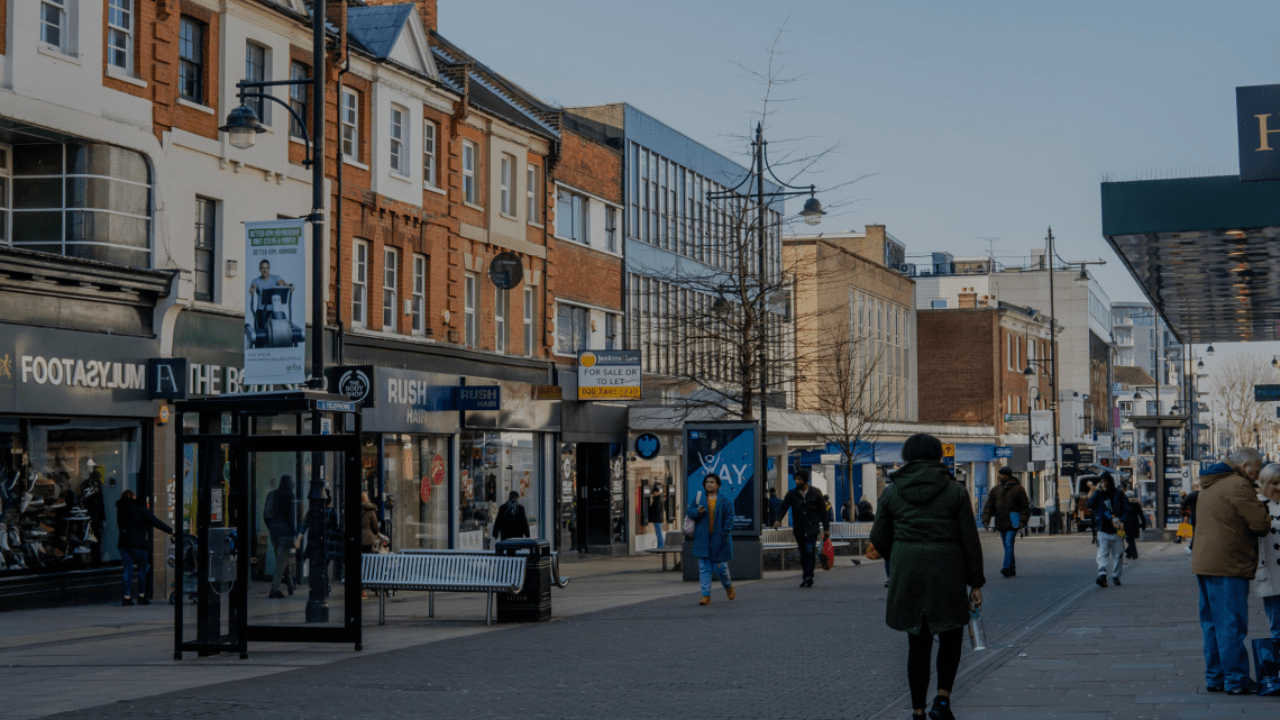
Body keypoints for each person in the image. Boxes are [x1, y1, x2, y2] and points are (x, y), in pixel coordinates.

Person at [870, 433, 985, 720]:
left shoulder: (892, 492)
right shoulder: (954, 491)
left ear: (906, 457)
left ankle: (918, 711)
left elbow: (879, 538)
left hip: (908, 570)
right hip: (947, 568)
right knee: (951, 636)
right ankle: (942, 700)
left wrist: (898, 556)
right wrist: (976, 583)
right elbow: (969, 540)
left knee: (917, 643)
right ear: (938, 456)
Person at [1194, 448, 1270, 694]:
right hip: (1229, 564)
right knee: (1231, 624)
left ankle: (1215, 677)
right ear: (1246, 465)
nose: (1257, 478)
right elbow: (1259, 524)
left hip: (1206, 563)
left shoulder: (1210, 482)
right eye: (1256, 471)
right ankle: (1236, 679)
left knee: (1212, 624)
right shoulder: (1238, 484)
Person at [115, 490, 174, 606]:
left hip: (124, 544)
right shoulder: (140, 508)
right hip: (139, 544)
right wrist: (170, 531)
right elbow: (155, 521)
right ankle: (141, 596)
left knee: (127, 570)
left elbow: (120, 525)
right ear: (132, 497)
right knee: (142, 568)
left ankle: (126, 597)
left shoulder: (120, 510)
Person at [775, 470, 831, 588]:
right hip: (799, 528)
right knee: (803, 553)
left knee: (810, 551)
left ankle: (809, 576)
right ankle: (805, 576)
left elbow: (822, 512)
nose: (796, 481)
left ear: (805, 480)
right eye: (796, 479)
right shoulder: (792, 494)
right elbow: (784, 506)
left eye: (799, 479)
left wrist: (826, 528)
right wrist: (778, 519)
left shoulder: (816, 492)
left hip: (812, 527)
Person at [687, 473, 735, 605]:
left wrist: (724, 533)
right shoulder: (698, 498)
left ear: (718, 485)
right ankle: (706, 595)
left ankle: (728, 586)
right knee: (704, 568)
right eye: (707, 482)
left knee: (721, 568)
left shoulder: (726, 500)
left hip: (719, 539)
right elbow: (689, 512)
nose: (709, 484)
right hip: (703, 539)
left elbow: (729, 518)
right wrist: (697, 511)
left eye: (712, 482)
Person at [981, 466, 1030, 578]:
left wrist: (1023, 520)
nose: (999, 477)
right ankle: (1012, 568)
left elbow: (1025, 506)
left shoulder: (1018, 489)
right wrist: (986, 519)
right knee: (1007, 546)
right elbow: (989, 506)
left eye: (1001, 475)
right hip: (1001, 522)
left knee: (1008, 544)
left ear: (1007, 476)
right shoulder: (996, 490)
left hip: (1013, 522)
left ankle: (1006, 567)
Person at [1088, 472, 1129, 588]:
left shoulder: (1119, 494)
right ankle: (1102, 573)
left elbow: (1127, 509)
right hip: (1102, 529)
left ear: (1109, 481)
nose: (1102, 483)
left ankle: (1116, 575)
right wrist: (1097, 491)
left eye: (1104, 481)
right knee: (1102, 553)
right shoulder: (1099, 494)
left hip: (1119, 528)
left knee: (1120, 553)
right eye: (1100, 481)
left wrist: (1122, 520)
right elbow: (1089, 504)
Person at [1254, 463, 1280, 640]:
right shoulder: (1254, 505)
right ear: (1264, 483)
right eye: (1274, 482)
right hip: (1270, 572)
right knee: (1277, 626)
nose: (1279, 487)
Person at [264, 475, 297, 599]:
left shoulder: (272, 495)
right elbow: (291, 517)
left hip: (274, 532)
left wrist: (272, 529)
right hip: (285, 533)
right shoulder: (290, 496)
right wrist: (293, 532)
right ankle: (274, 589)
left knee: (282, 559)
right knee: (281, 562)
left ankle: (290, 585)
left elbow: (266, 515)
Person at [1122, 491, 1147, 560]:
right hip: (1135, 523)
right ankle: (1129, 552)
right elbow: (1141, 515)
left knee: (1129, 539)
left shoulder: (1125, 504)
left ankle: (1134, 554)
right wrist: (1143, 524)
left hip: (1127, 523)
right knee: (1131, 539)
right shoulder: (1137, 504)